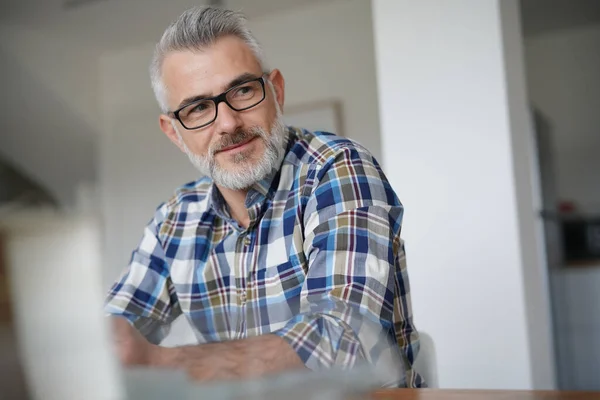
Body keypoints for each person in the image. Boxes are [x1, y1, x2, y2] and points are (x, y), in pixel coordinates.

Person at [105, 6, 423, 388]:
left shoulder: (338, 170)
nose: (228, 123)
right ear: (174, 133)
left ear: (277, 91)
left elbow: (343, 343)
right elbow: (112, 342)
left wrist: (161, 363)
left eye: (242, 90)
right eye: (198, 107)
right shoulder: (174, 221)